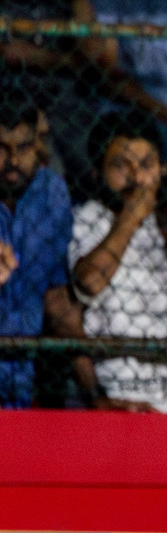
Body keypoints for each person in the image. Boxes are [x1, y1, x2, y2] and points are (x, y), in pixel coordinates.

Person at [68, 110, 167, 412]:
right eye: (121, 165)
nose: (136, 177)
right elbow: (90, 281)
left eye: (146, 165)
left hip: (157, 401)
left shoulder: (158, 231)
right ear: (97, 172)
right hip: (105, 398)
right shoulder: (84, 219)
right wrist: (131, 215)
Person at [0, 100, 75, 408]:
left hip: (30, 368)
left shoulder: (50, 191)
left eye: (23, 147)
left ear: (38, 147)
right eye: (1, 148)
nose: (13, 160)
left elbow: (56, 293)